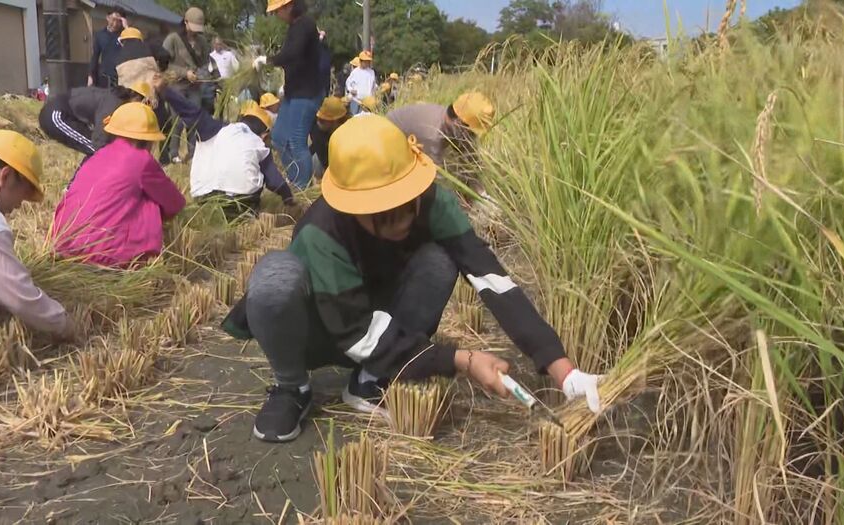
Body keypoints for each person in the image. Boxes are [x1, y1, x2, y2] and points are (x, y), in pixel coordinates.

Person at [222, 115, 602, 442]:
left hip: (381, 316)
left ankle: (369, 380)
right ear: (353, 207)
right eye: (384, 216)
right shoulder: (321, 231)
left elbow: (490, 276)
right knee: (274, 278)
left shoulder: (435, 202)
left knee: (439, 259)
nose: (402, 222)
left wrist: (563, 370)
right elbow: (356, 333)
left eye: (407, 207)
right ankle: (292, 388)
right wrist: (462, 360)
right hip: (324, 328)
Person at [52, 103, 186, 268]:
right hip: (103, 256)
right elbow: (175, 203)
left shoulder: (98, 155)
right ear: (148, 140)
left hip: (63, 244)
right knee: (151, 202)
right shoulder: (142, 160)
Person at [0, 130, 73, 339]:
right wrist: (64, 324)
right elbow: (21, 298)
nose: (21, 204)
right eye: (25, 191)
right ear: (6, 175)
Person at [156, 81, 297, 220]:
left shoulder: (214, 128)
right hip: (240, 204)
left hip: (205, 201)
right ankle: (250, 216)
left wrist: (166, 91)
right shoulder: (258, 143)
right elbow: (275, 181)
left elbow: (189, 110)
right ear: (265, 135)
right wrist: (289, 198)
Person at [254, 0, 323, 189]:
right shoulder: (294, 27)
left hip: (307, 93)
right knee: (278, 136)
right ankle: (296, 179)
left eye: (277, 11)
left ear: (289, 6)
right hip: (294, 91)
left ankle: (303, 188)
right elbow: (295, 60)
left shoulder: (305, 25)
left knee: (297, 141)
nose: (276, 15)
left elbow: (292, 54)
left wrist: (268, 60)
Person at [387, 92, 494, 192]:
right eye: (471, 132)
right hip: (388, 143)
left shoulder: (453, 125)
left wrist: (480, 193)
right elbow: (435, 180)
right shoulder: (432, 135)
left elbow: (469, 160)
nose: (472, 137)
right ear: (459, 123)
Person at [38, 83, 151, 156]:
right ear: (135, 96)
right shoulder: (113, 104)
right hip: (56, 115)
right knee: (98, 151)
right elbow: (99, 140)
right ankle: (75, 187)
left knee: (97, 151)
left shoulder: (116, 100)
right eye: (142, 103)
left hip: (66, 114)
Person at [163, 7, 212, 164]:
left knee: (193, 119)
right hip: (175, 85)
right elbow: (163, 64)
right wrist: (185, 73)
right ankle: (173, 154)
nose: (196, 32)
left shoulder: (202, 42)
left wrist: (203, 75)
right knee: (177, 120)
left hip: (195, 87)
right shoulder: (173, 39)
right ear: (185, 22)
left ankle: (193, 153)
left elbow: (205, 63)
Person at [308, 96, 348, 178]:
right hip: (325, 162)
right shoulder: (317, 131)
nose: (319, 122)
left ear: (335, 121)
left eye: (323, 120)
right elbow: (324, 159)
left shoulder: (348, 129)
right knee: (315, 160)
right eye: (319, 118)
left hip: (344, 164)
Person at [89, 8, 127, 87]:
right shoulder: (100, 35)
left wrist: (126, 27)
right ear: (107, 18)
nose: (115, 24)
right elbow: (95, 57)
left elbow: (134, 46)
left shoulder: (125, 35)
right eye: (113, 20)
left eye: (119, 21)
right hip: (104, 77)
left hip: (122, 78)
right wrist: (91, 76)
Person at [345, 50, 377, 116]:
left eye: (368, 61)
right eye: (365, 61)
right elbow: (348, 83)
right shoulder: (355, 72)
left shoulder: (371, 72)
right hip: (356, 100)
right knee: (355, 118)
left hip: (367, 102)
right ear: (361, 61)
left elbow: (373, 85)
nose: (367, 63)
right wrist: (351, 90)